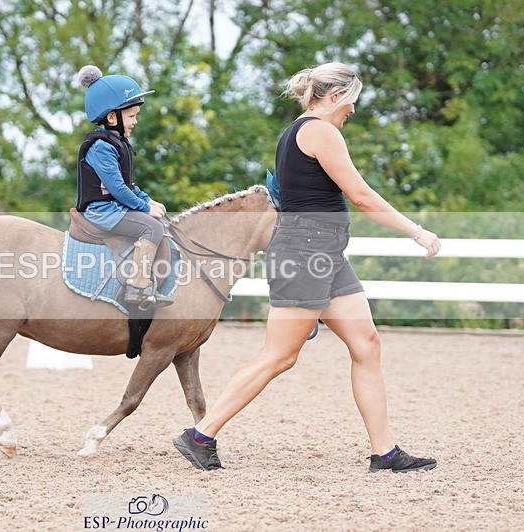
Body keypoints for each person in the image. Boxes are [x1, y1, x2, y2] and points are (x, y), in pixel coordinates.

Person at [173, 62, 441, 473]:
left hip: (324, 253)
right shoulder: (319, 130)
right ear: (335, 96)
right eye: (350, 102)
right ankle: (200, 435)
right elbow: (361, 195)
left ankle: (384, 452)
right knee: (279, 356)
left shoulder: (298, 130)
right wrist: (415, 231)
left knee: (366, 344)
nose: (352, 111)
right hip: (305, 252)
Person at [76, 65, 172, 309]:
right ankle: (137, 286)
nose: (135, 121)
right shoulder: (101, 147)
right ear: (112, 117)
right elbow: (117, 188)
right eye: (131, 116)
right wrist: (144, 208)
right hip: (102, 211)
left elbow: (128, 184)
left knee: (158, 220)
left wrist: (148, 200)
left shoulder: (116, 143)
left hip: (115, 207)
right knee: (151, 228)